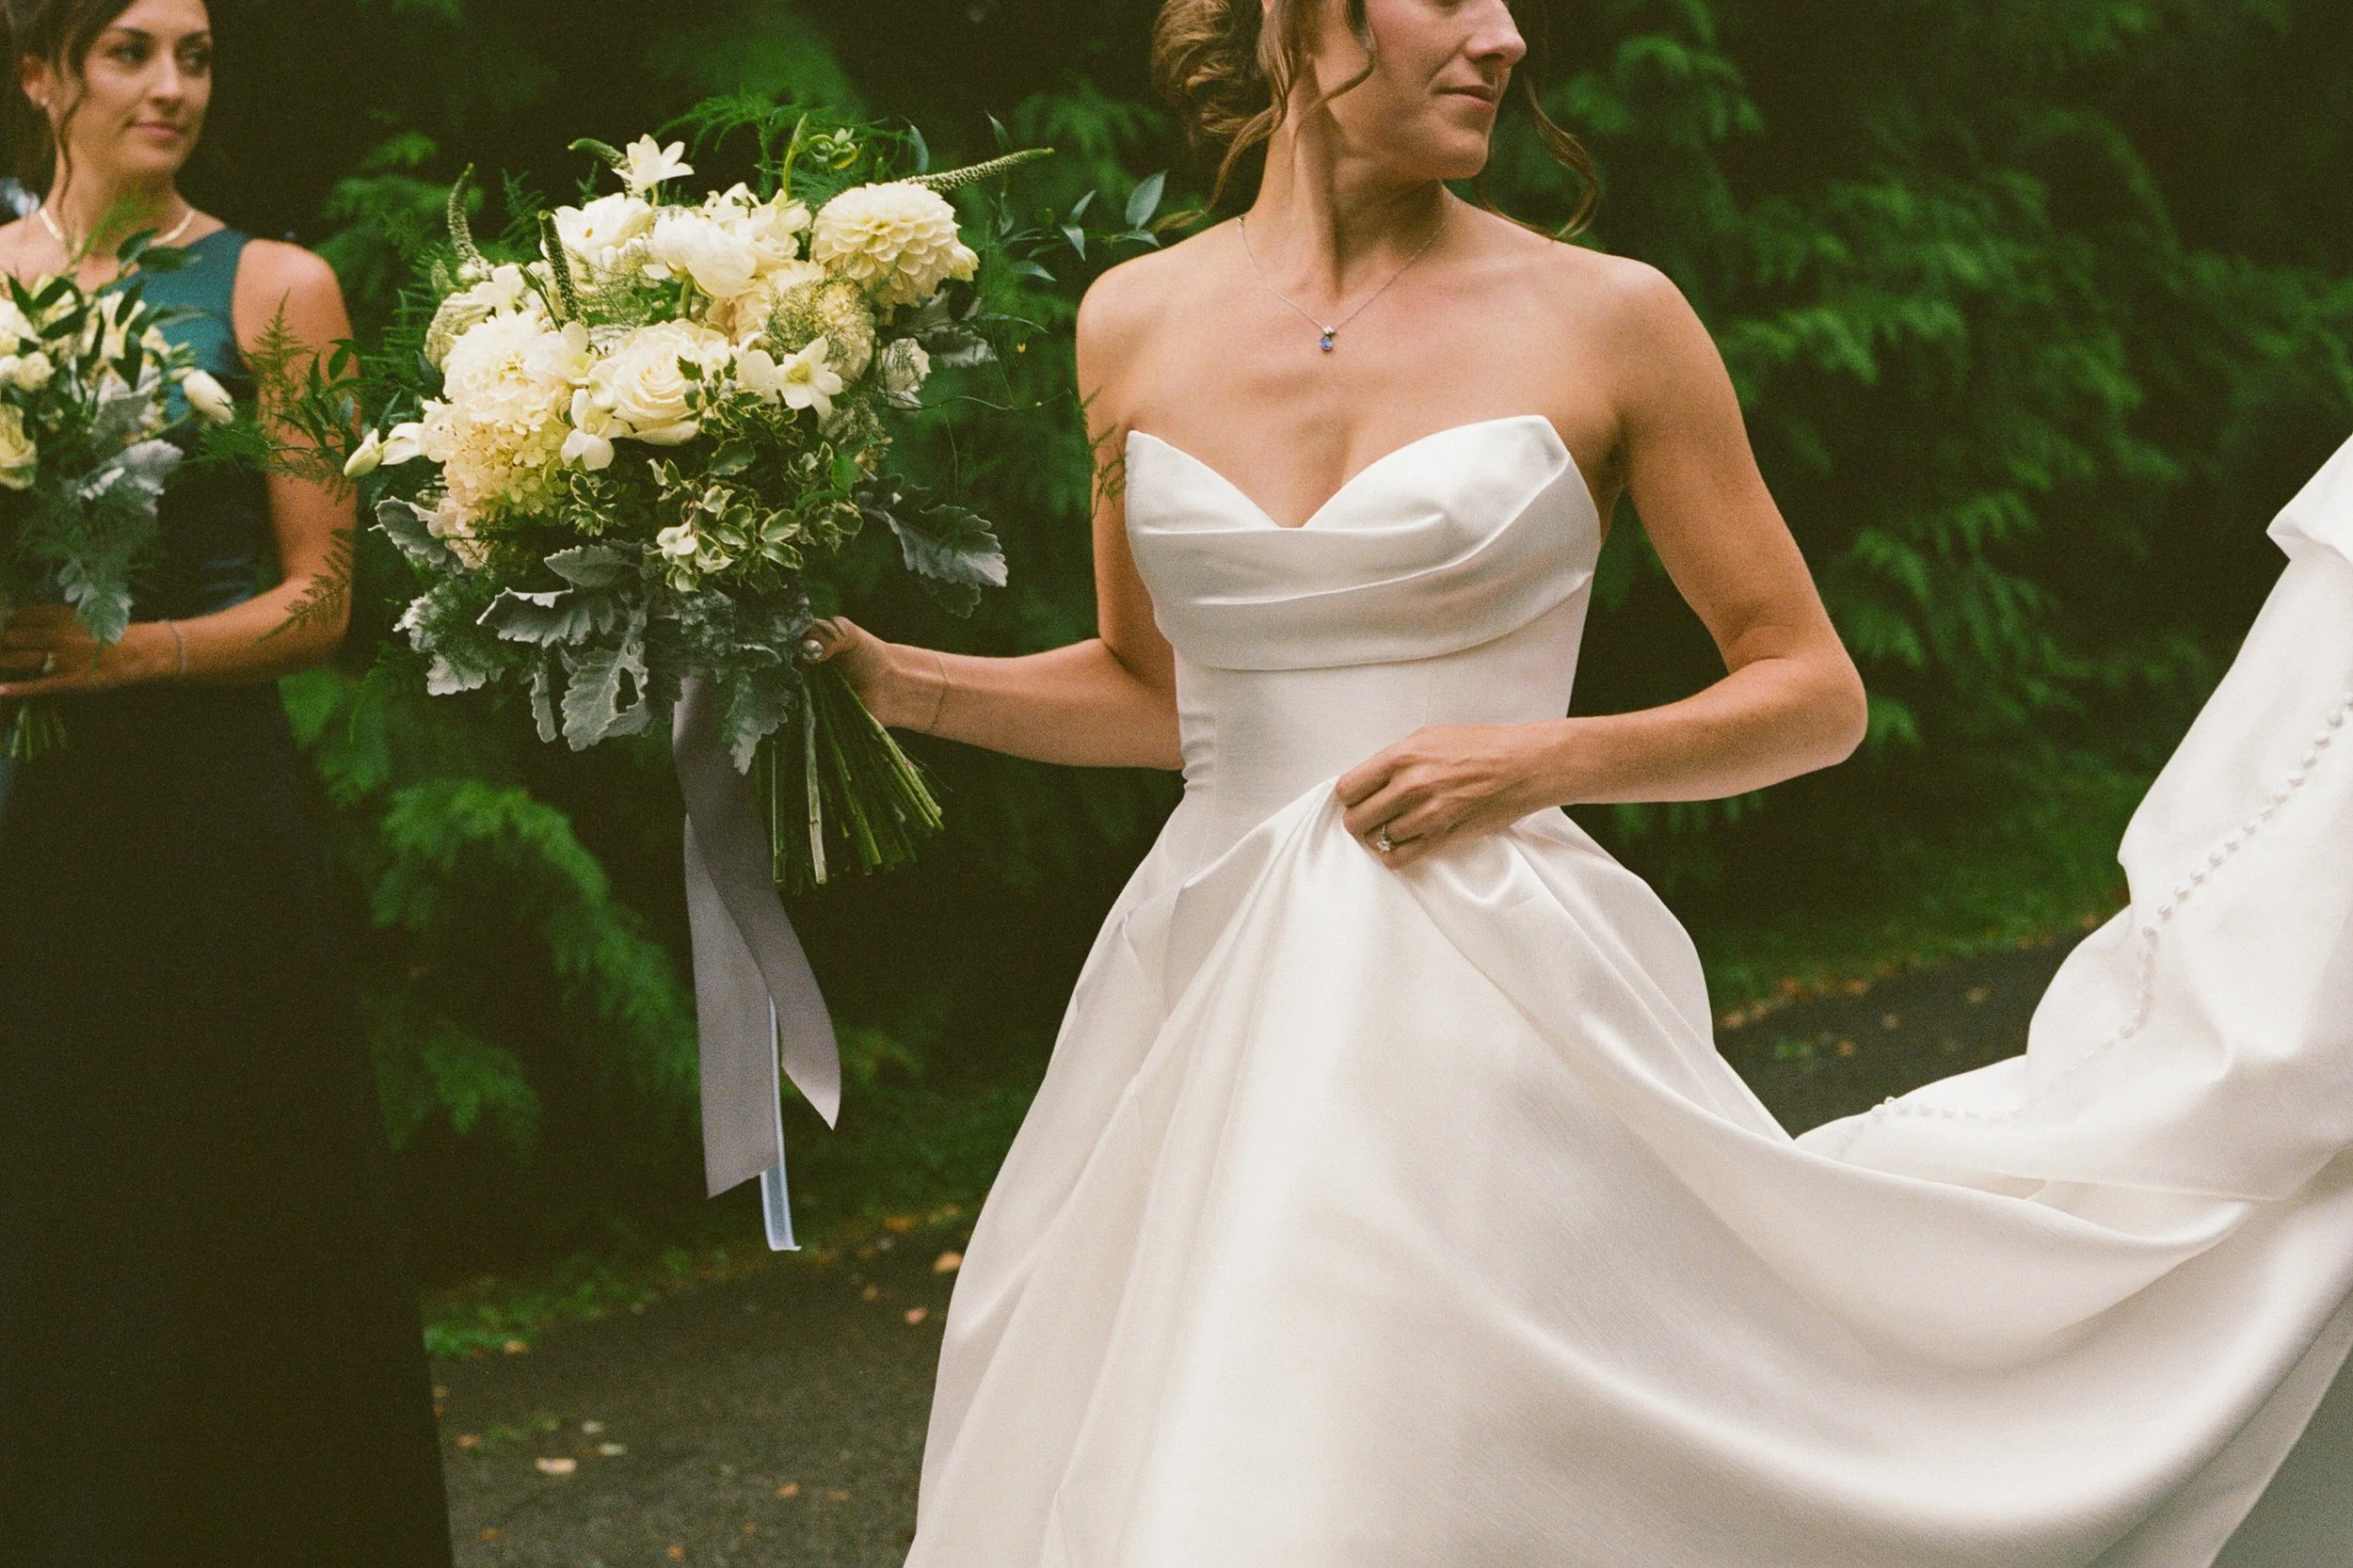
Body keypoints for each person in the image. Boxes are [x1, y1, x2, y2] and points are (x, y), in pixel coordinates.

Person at [811, 0, 2353, 1562]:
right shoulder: (1131, 320)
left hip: (1480, 996)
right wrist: (896, 682)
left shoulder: (1611, 317)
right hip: (1197, 991)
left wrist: (1544, 757)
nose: (1502, 38)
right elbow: (1159, 693)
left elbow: (1810, 692)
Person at [0, 0, 453, 1561]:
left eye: (193, 55)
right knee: (43, 1211)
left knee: (234, 1214)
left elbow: (324, 599)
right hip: (24, 825)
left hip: (204, 825)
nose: (171, 85)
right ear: (40, 73)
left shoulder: (276, 289)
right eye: (129, 51)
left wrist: (134, 658)